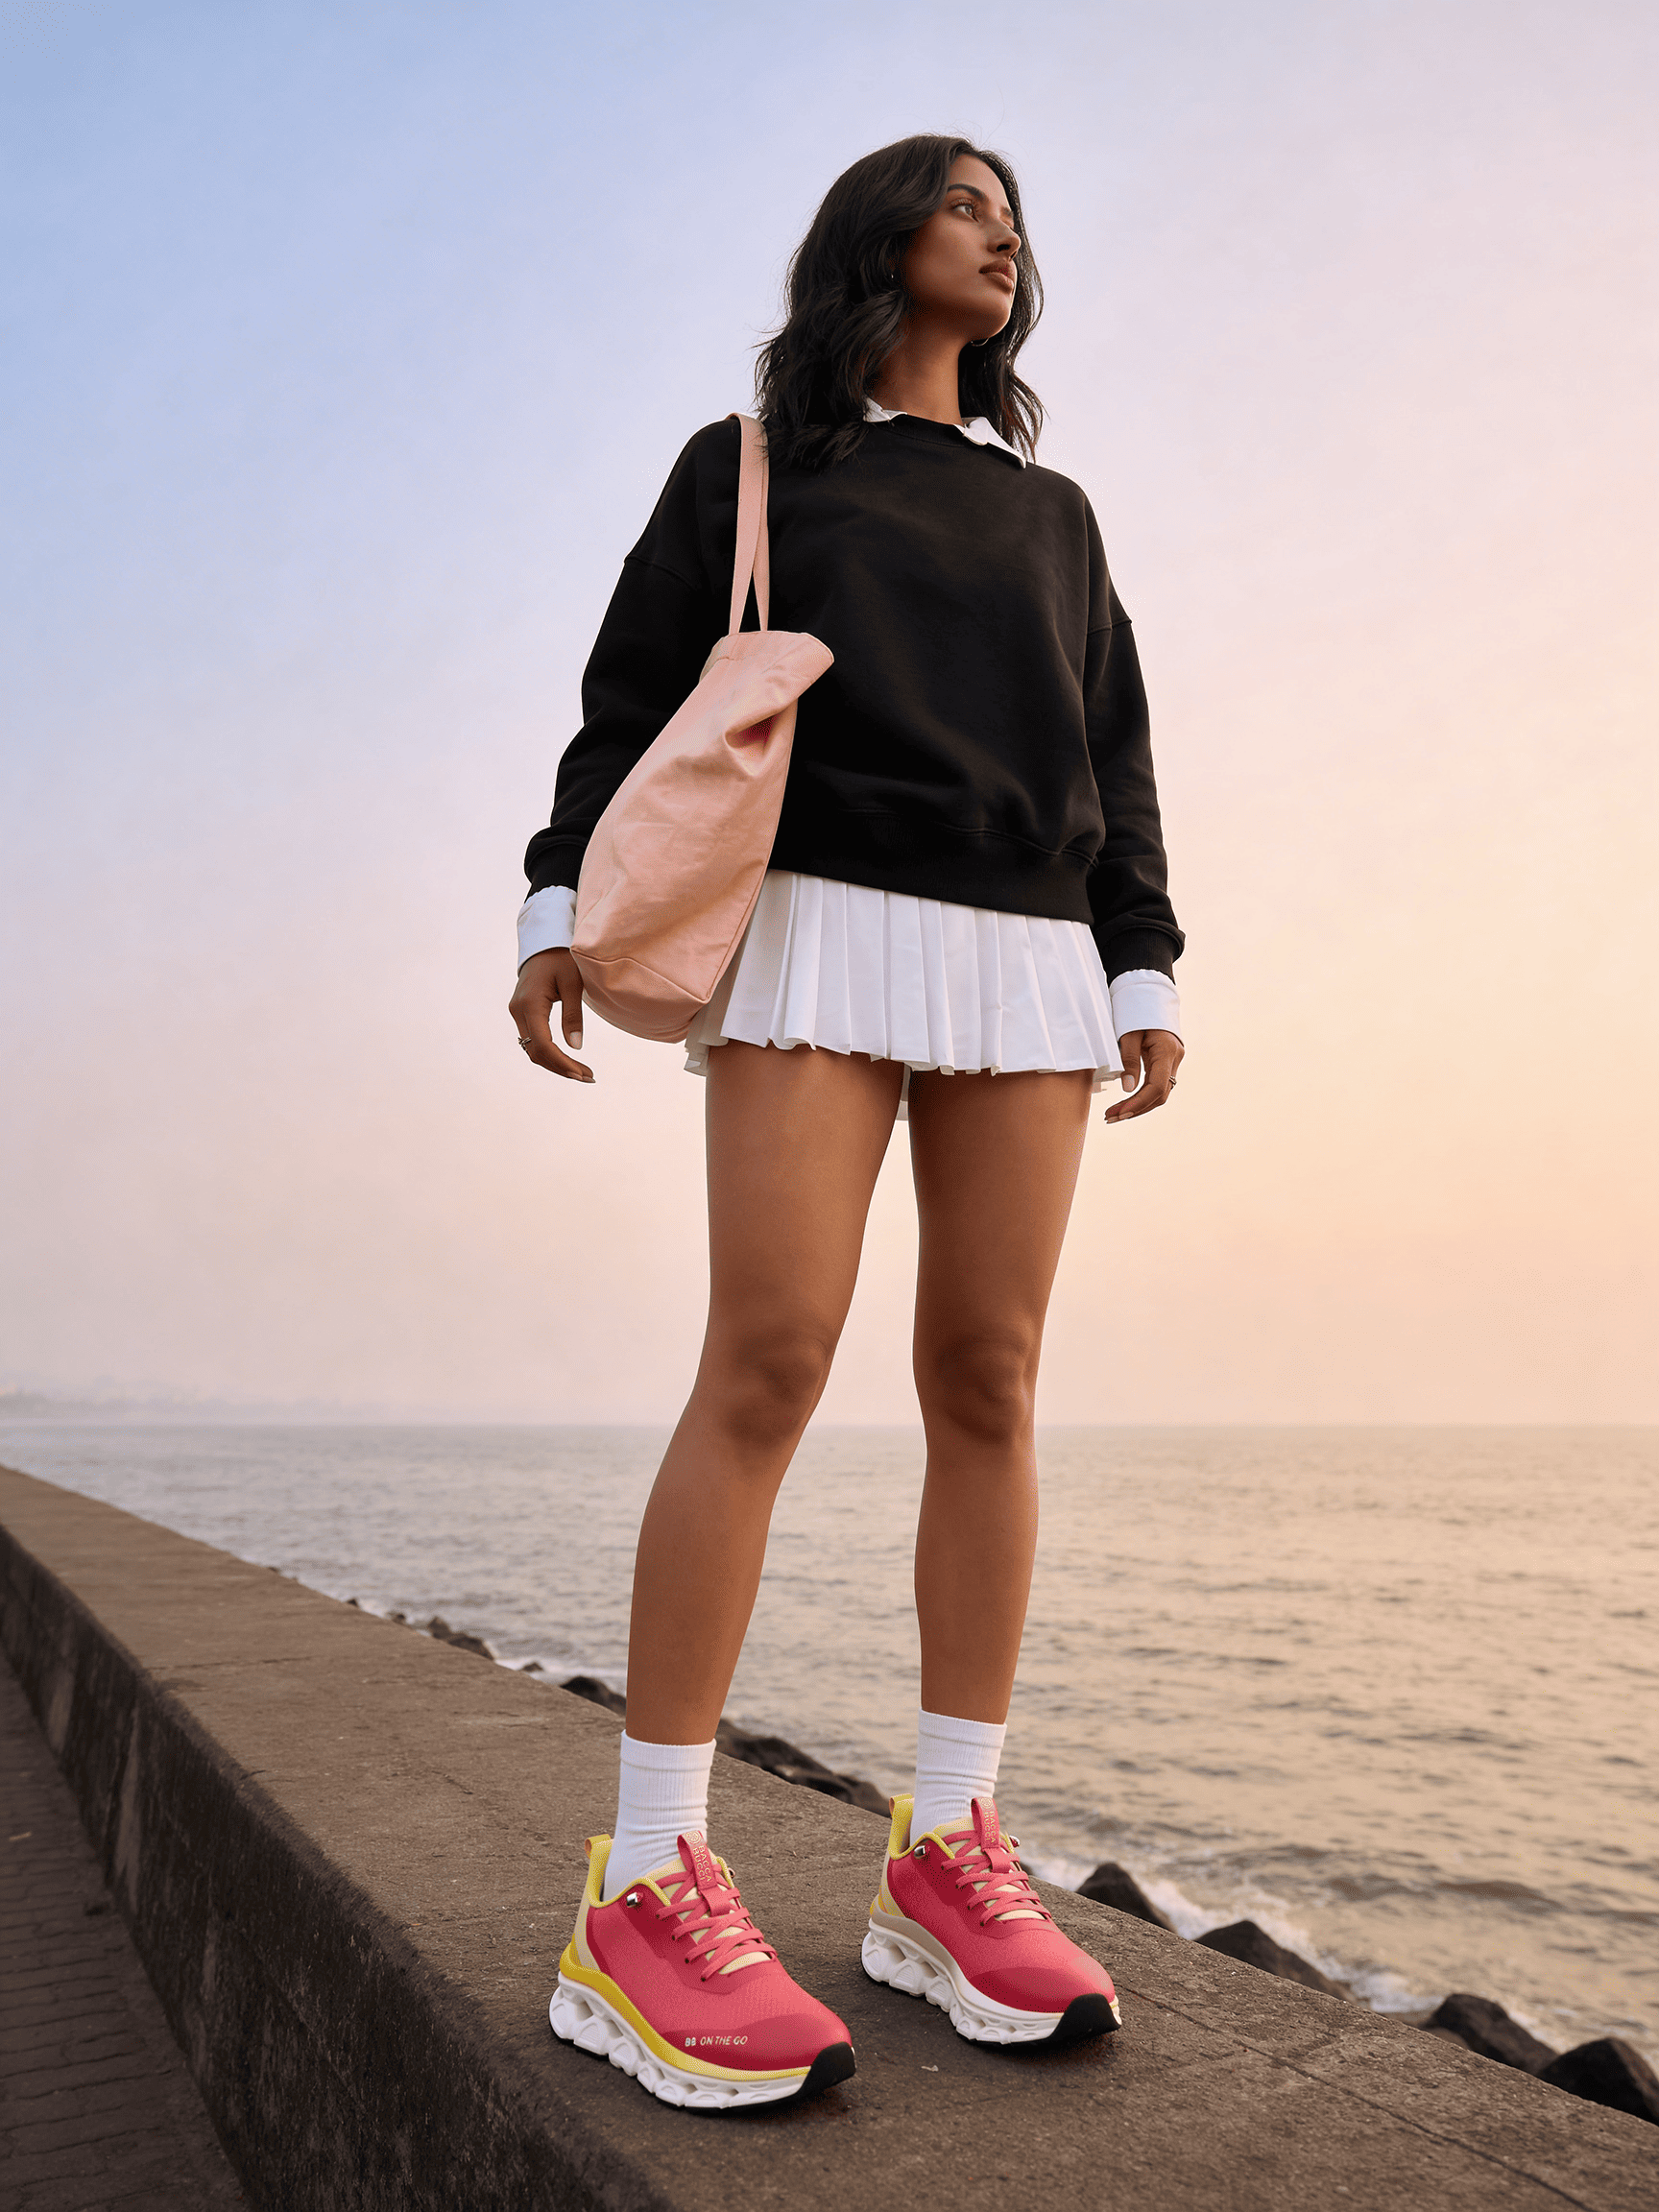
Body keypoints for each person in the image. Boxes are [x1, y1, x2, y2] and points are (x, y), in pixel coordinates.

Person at [508, 133, 1184, 2112]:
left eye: (1015, 212)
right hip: (814, 922)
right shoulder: (753, 467)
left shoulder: (1057, 515)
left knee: (990, 1374)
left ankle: (946, 1851)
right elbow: (628, 693)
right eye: (967, 197)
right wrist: (558, 900)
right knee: (770, 1360)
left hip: (1033, 952)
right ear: (881, 235)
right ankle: (641, 1879)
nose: (1004, 228)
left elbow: (1118, 750)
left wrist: (1142, 959)